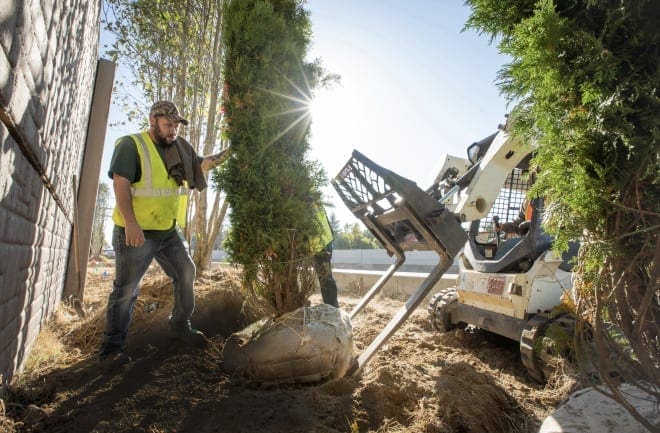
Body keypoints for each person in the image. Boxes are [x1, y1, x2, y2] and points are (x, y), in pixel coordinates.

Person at [99, 101, 228, 368]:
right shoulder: (132, 145)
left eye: (177, 126)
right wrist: (131, 223)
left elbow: (201, 164)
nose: (173, 131)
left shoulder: (177, 149)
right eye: (169, 125)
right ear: (153, 120)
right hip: (136, 232)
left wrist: (230, 152)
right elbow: (120, 185)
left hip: (168, 231)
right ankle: (111, 351)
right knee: (126, 290)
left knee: (186, 272)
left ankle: (179, 325)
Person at [311, 205, 339, 308]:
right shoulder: (315, 198)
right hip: (325, 242)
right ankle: (332, 308)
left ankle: (332, 308)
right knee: (326, 279)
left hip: (320, 245)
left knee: (326, 280)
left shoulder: (305, 198)